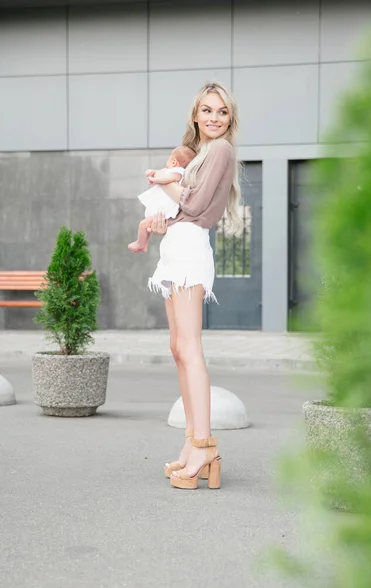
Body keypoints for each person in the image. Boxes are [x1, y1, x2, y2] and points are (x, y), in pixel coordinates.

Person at [146, 81, 242, 490]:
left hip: (190, 251)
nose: (214, 118)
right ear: (196, 115)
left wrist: (162, 181)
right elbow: (181, 208)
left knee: (190, 349)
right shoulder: (199, 154)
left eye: (222, 112)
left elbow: (196, 205)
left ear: (229, 118)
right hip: (176, 245)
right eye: (207, 110)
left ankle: (204, 447)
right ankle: (192, 443)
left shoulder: (220, 150)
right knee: (177, 349)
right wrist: (160, 218)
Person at [128, 146, 196, 253]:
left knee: (143, 224)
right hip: (164, 209)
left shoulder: (179, 172)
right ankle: (144, 244)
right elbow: (162, 172)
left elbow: (168, 178)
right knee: (147, 226)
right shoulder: (172, 171)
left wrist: (155, 179)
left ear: (174, 162)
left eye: (169, 159)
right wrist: (152, 172)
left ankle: (140, 243)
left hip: (165, 210)